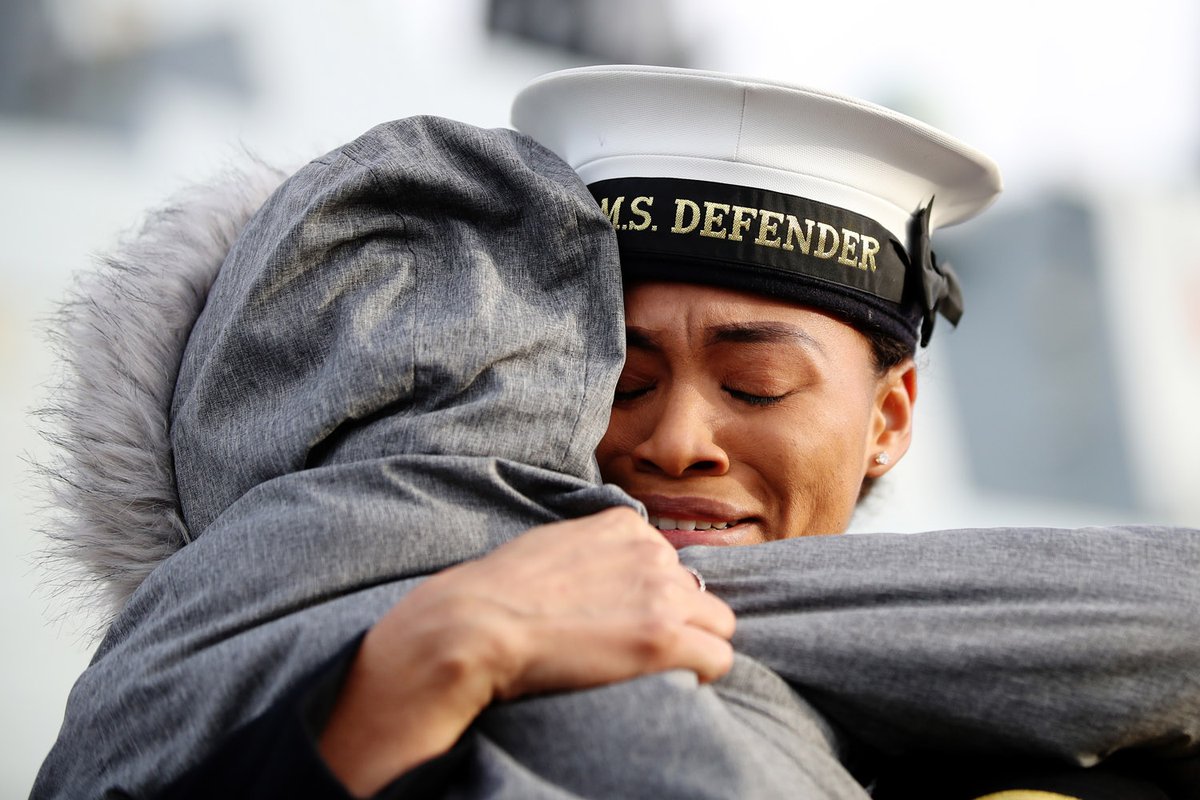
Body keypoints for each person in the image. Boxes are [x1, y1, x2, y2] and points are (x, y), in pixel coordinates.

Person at [31, 67, 1200, 800]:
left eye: (755, 387)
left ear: (888, 417)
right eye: (622, 382)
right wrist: (390, 693)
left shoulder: (1068, 749)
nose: (678, 439)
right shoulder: (303, 641)